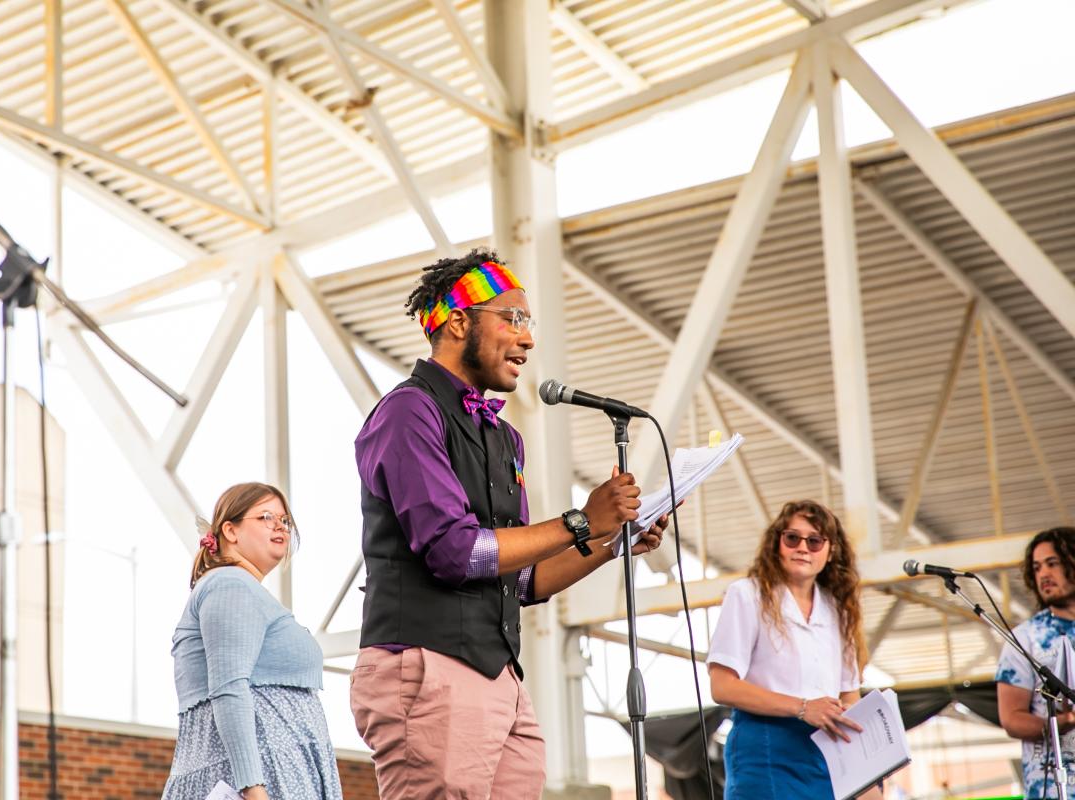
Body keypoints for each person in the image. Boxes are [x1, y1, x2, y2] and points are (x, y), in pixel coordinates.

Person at [349, 248, 668, 798]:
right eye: (512, 318)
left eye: (529, 322)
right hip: (428, 664)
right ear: (457, 322)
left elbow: (522, 580)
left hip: (498, 674)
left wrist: (608, 540)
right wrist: (579, 519)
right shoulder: (409, 411)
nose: (528, 337)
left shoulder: (504, 437)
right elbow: (454, 551)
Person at [162, 482, 342, 800]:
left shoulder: (242, 589)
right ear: (230, 531)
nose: (280, 527)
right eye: (265, 517)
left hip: (276, 774)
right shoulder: (230, 585)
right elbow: (229, 687)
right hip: (256, 779)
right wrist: (254, 789)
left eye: (285, 520)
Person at [707, 500, 870, 799]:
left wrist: (869, 774)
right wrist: (804, 707)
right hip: (766, 750)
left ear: (831, 550)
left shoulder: (839, 610)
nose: (803, 547)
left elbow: (849, 695)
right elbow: (722, 686)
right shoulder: (747, 594)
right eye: (792, 538)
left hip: (827, 757)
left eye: (815, 540)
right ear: (777, 542)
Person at [996, 526, 1075, 799]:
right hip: (1053, 788)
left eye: (1052, 563)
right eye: (1037, 567)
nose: (1044, 574)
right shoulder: (1025, 638)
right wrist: (1061, 722)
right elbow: (1011, 718)